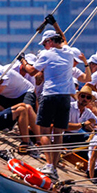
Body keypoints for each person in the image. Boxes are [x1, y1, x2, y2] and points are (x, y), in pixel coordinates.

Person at [32, 29, 80, 178]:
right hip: (65, 97)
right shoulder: (69, 52)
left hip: (50, 95)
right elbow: (64, 40)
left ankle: (49, 165)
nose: (44, 47)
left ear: (50, 41)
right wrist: (55, 24)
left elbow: (32, 71)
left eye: (45, 43)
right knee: (59, 133)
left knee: (44, 132)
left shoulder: (47, 54)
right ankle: (54, 166)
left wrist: (22, 60)